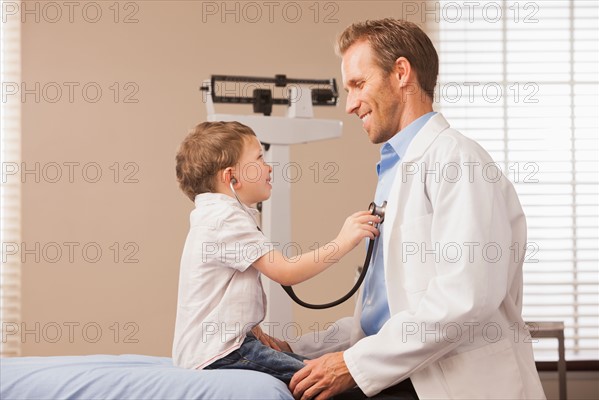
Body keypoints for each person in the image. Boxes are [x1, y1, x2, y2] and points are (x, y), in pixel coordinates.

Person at [277, 18, 546, 399]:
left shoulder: (457, 160)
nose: (350, 104)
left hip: (450, 384)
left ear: (401, 73)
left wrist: (352, 365)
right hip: (406, 377)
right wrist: (299, 348)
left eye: (358, 84)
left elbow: (465, 298)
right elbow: (384, 317)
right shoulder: (399, 169)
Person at [171, 121, 380, 384]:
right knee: (319, 378)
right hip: (222, 355)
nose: (269, 167)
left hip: (213, 349)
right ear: (231, 177)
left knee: (313, 368)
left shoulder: (215, 215)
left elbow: (219, 293)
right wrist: (343, 241)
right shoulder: (225, 218)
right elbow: (286, 271)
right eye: (259, 158)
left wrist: (245, 327)